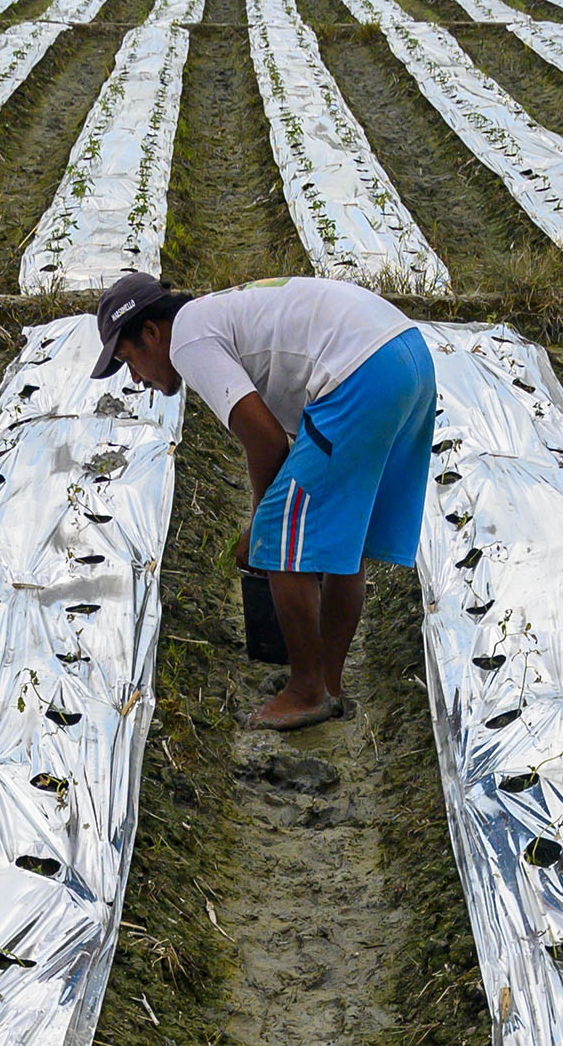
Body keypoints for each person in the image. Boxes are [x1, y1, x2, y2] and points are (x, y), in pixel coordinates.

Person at [93, 270, 435, 732]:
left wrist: (260, 525)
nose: (136, 378)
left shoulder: (188, 339)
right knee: (340, 538)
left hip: (362, 371)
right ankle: (327, 684)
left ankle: (307, 690)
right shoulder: (216, 315)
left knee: (279, 531)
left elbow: (266, 440)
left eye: (129, 360)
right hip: (408, 355)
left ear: (152, 332)